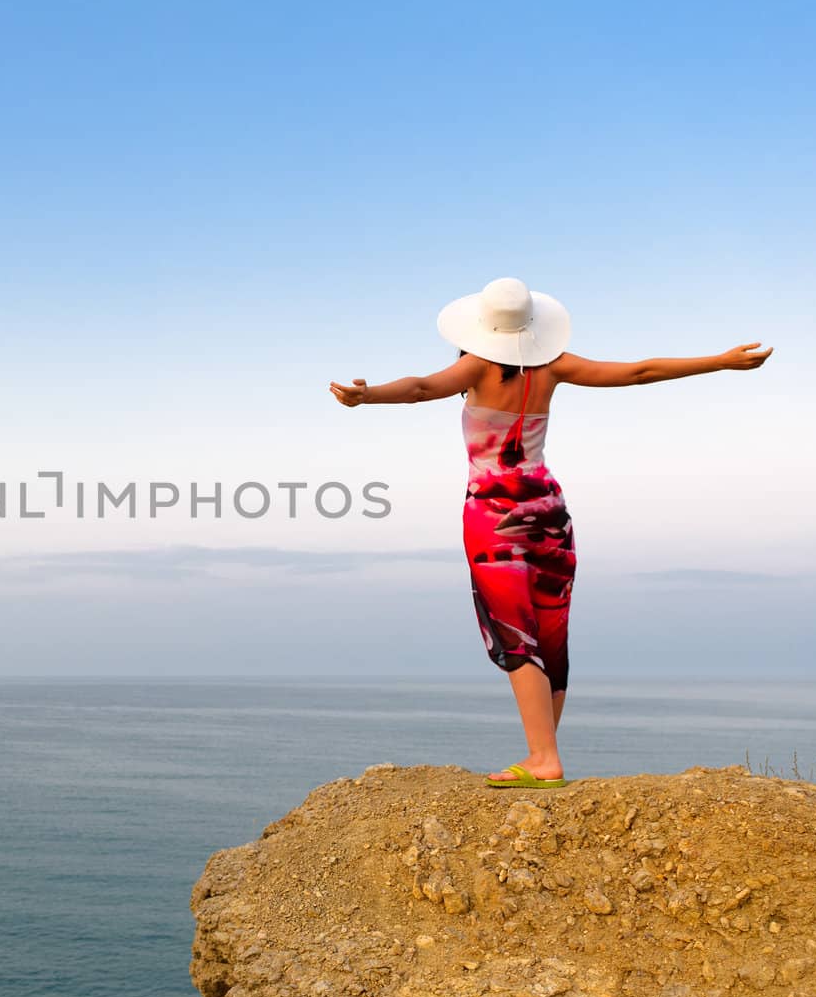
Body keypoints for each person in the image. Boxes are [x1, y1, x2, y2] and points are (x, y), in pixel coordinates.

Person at [328, 277, 772, 789]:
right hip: (549, 510)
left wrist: (368, 397)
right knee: (550, 634)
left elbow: (422, 388)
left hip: (495, 515)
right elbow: (638, 372)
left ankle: (543, 760)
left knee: (517, 636)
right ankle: (543, 753)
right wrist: (718, 361)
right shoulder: (554, 366)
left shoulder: (476, 366)